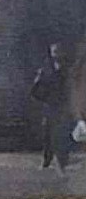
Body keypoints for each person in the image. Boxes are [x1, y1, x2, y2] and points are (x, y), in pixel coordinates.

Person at [32, 42, 74, 172]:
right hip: (50, 107)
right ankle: (47, 160)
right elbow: (35, 90)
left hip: (64, 107)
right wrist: (45, 98)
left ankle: (63, 161)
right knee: (48, 135)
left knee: (63, 135)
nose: (56, 54)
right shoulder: (46, 71)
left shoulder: (69, 70)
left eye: (59, 51)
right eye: (54, 52)